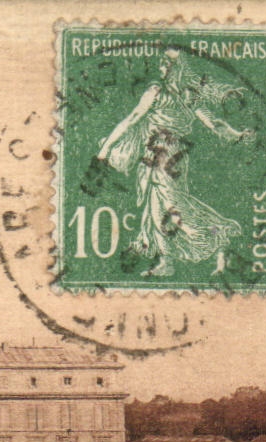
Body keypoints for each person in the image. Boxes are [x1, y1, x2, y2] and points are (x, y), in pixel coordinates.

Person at [95, 47, 253, 278]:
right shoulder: (161, 92)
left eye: (167, 64)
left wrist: (236, 135)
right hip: (162, 154)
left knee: (170, 204)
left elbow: (214, 123)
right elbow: (132, 119)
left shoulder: (179, 95)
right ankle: (166, 261)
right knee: (159, 204)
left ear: (178, 69)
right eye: (161, 63)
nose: (162, 67)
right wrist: (106, 147)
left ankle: (219, 236)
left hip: (167, 155)